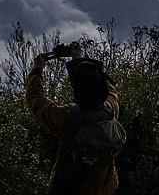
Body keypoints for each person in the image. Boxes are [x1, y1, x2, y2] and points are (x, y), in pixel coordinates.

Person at [26, 41, 120, 195]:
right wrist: (80, 61)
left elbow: (35, 101)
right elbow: (110, 87)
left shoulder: (67, 118)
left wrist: (37, 70)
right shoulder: (112, 109)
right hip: (104, 188)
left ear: (76, 91)